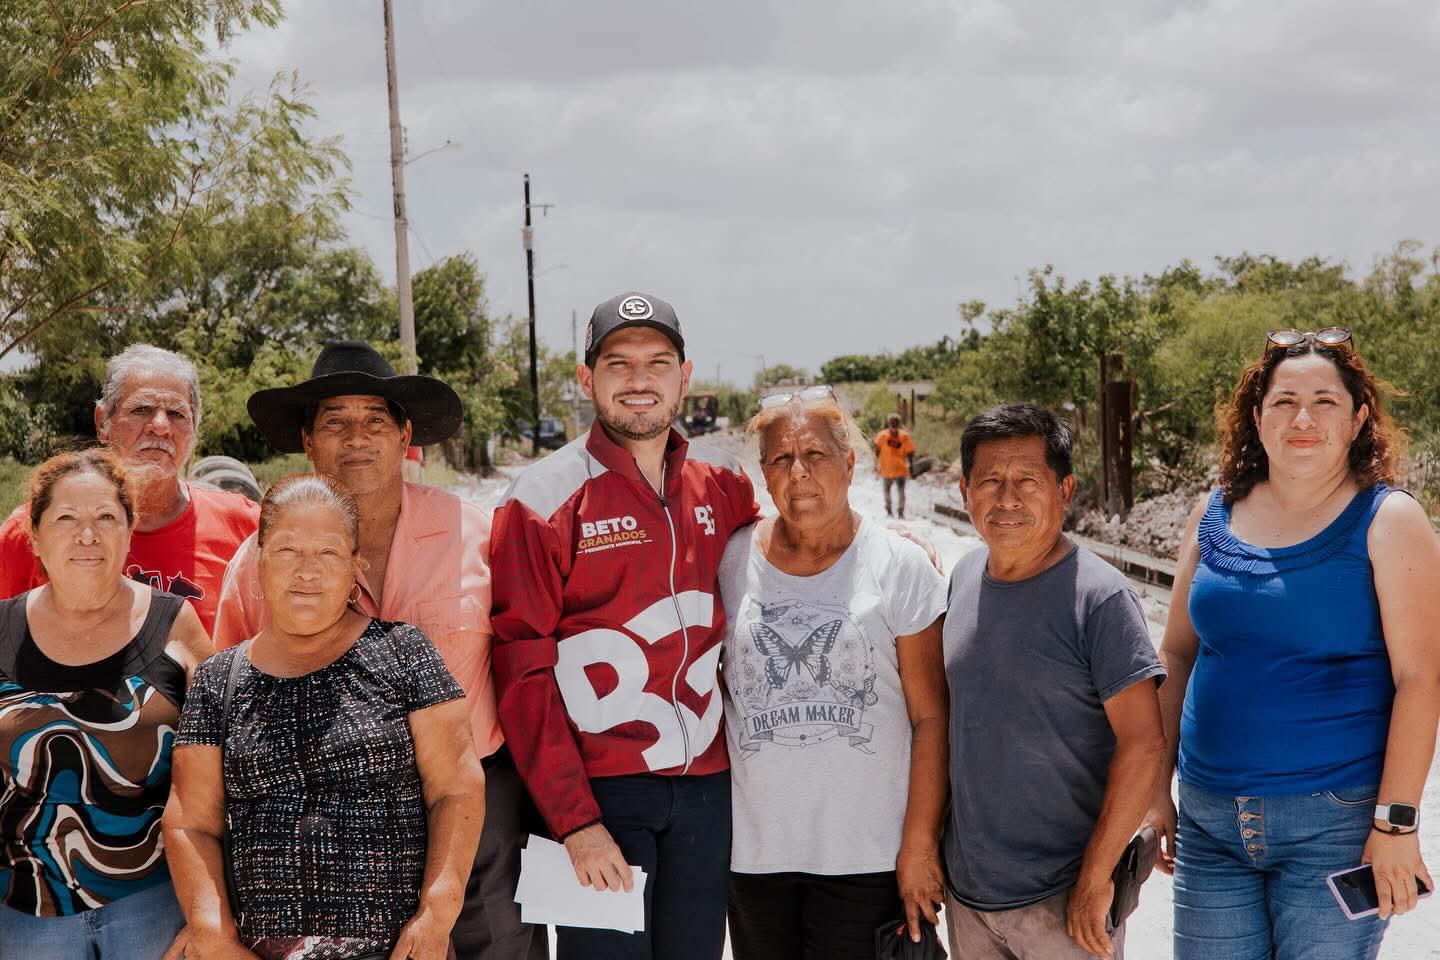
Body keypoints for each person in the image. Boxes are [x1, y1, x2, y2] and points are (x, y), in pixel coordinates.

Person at [210, 341, 539, 960]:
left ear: (406, 434)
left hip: (473, 815)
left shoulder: (480, 535)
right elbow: (226, 713)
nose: (355, 438)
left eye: (375, 420)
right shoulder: (257, 566)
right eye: (334, 421)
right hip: (324, 833)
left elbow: (532, 670)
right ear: (307, 440)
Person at [1144, 327, 1440, 960]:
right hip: (1207, 821)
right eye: (1283, 401)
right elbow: (1176, 654)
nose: (1302, 418)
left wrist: (1396, 825)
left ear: (1359, 418)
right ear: (1258, 417)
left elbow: (1420, 679)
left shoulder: (1390, 521)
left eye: (1324, 401)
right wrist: (1153, 788)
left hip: (1334, 825)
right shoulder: (1214, 512)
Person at [490, 291, 760, 960]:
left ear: (685, 375)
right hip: (597, 793)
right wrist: (573, 819)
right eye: (619, 364)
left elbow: (779, 568)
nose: (639, 381)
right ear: (587, 380)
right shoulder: (540, 500)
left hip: (705, 790)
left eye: (657, 363)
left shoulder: (723, 485)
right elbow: (522, 672)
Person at [165, 474, 485, 960]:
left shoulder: (405, 654)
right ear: (259, 559)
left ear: (356, 565)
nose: (307, 572)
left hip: (397, 948)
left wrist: (436, 915)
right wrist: (213, 932)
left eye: (329, 553)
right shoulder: (217, 680)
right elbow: (191, 821)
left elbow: (457, 788)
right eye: (289, 550)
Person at [719, 388, 949, 960]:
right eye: (780, 459)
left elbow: (931, 718)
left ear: (851, 463)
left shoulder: (900, 566)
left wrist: (919, 845)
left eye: (816, 455)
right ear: (763, 475)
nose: (799, 473)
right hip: (753, 856)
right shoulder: (727, 561)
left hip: (867, 857)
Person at [943, 402, 1166, 960]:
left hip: (1065, 901)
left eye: (1027, 481)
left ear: (1065, 490)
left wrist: (1095, 879)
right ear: (965, 489)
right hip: (969, 897)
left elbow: (1145, 745)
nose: (1007, 498)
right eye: (990, 481)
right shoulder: (963, 577)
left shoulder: (1101, 597)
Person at [0, 448, 212, 958]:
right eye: (67, 518)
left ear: (129, 527)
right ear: (34, 534)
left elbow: (216, 768)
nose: (87, 535)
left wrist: (212, 915)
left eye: (105, 518)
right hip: (24, 918)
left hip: (155, 907)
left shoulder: (175, 622)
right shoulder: (0, 628)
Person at [0, 344, 259, 634]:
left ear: (195, 430)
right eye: (141, 409)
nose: (160, 426)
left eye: (176, 414)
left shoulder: (246, 527)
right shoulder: (32, 531)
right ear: (102, 422)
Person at [874, 414, 915, 519]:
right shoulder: (904, 436)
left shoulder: (882, 436)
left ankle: (890, 512)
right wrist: (911, 466)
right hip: (899, 469)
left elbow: (876, 452)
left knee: (888, 490)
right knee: (900, 491)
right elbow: (910, 453)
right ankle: (899, 513)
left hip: (888, 469)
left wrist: (876, 465)